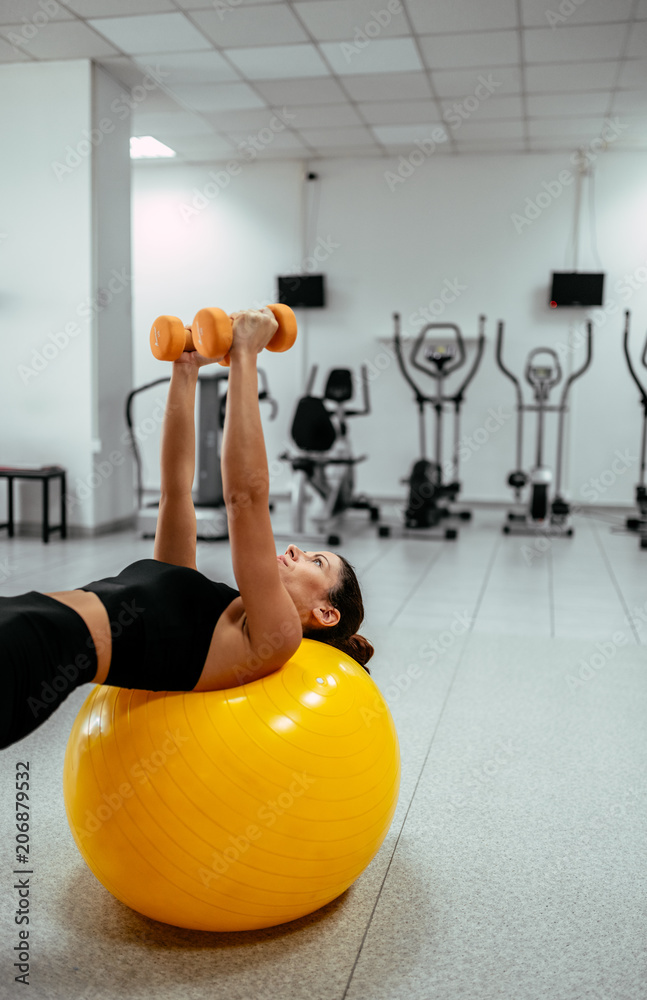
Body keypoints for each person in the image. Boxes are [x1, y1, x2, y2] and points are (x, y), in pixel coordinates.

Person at [1, 308, 374, 751]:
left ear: (325, 613)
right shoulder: (198, 596)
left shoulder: (276, 639)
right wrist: (186, 369)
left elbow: (245, 500)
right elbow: (175, 490)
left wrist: (245, 357)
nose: (296, 549)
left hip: (31, 654)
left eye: (316, 561)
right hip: (24, 618)